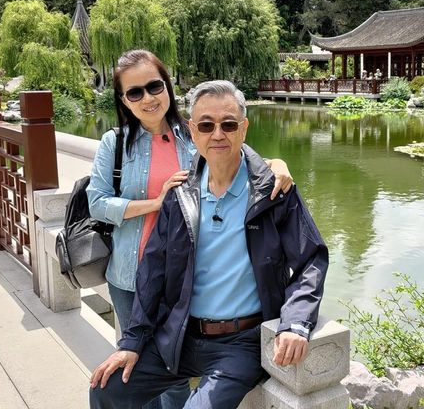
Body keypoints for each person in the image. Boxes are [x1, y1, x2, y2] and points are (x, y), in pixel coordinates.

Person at [89, 80, 329, 409]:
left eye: (228, 124)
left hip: (240, 343)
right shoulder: (180, 194)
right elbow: (152, 271)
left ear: (244, 128)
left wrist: (296, 323)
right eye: (206, 125)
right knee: (107, 387)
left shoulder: (273, 191)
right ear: (192, 130)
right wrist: (132, 341)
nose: (217, 134)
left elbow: (311, 259)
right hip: (180, 335)